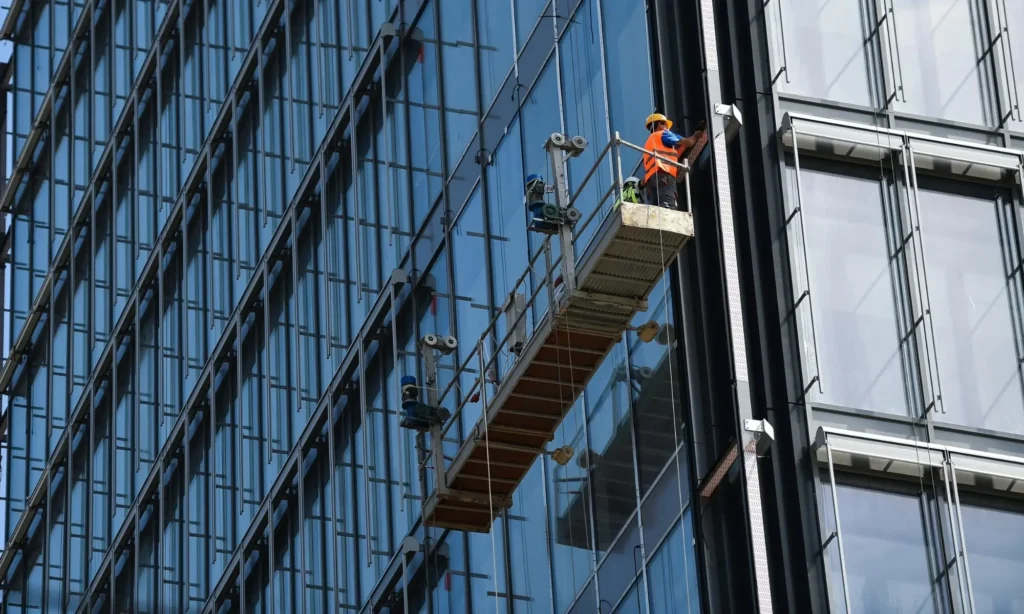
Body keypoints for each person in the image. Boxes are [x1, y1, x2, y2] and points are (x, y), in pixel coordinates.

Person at [641, 113, 704, 209]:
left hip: (651, 181)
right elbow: (689, 142)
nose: (667, 128)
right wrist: (696, 136)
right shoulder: (663, 134)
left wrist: (683, 148)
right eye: (665, 124)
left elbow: (671, 156)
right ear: (659, 125)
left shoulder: (649, 142)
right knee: (668, 205)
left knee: (656, 208)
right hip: (664, 174)